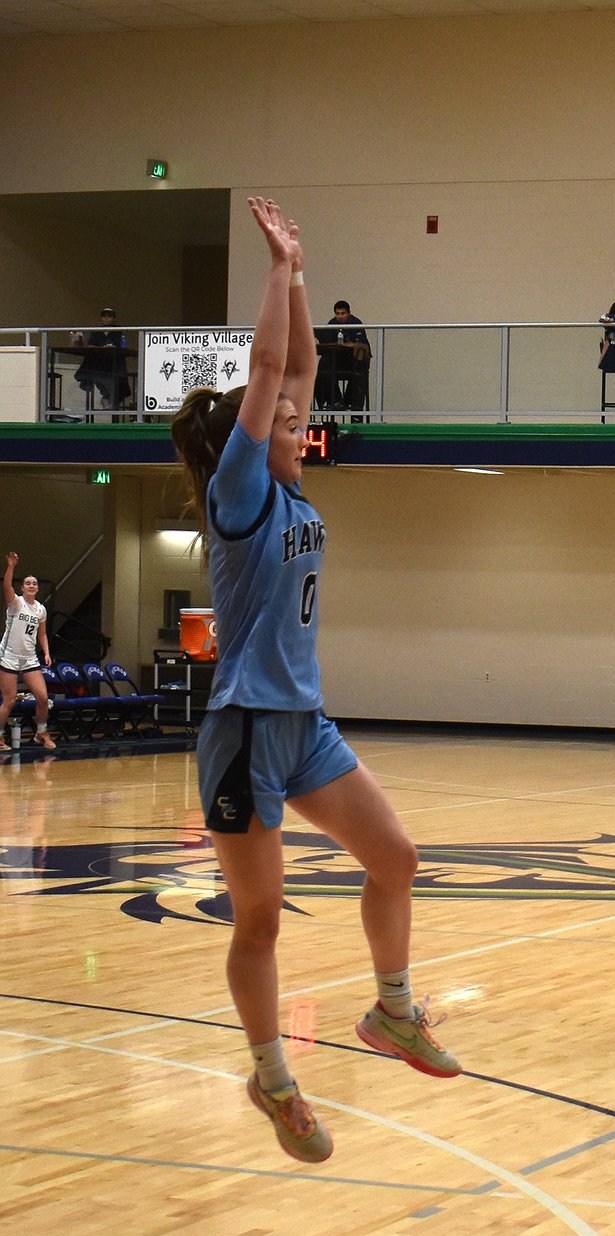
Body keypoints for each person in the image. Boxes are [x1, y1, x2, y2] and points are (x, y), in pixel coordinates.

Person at [170, 198, 460, 1166]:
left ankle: (392, 1011)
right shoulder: (239, 492)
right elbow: (267, 373)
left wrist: (298, 271)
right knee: (259, 918)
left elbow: (294, 366)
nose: (303, 423)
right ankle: (273, 1077)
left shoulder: (290, 487)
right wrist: (267, 271)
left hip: (303, 723)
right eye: (289, 425)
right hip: (245, 729)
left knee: (396, 857)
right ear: (252, 443)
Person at [0, 553, 57, 752]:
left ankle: (41, 732)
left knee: (43, 698)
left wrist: (46, 652)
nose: (31, 585)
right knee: (9, 700)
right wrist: (11, 566)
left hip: (29, 658)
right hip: (9, 656)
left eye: (34, 583)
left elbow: (42, 634)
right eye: (27, 583)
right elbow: (6, 586)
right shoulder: (16, 603)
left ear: (37, 588)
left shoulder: (41, 609)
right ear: (22, 588)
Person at [314, 299, 372, 414]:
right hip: (338, 361)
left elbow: (362, 344)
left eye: (343, 313)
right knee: (324, 366)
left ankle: (352, 405)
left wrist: (352, 344)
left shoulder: (356, 323)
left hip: (355, 362)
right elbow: (327, 341)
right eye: (338, 314)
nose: (340, 316)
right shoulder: (332, 324)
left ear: (349, 313)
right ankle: (335, 401)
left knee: (358, 372)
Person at [74, 307, 130, 409]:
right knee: (90, 357)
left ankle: (86, 378)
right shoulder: (96, 331)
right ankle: (87, 379)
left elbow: (119, 346)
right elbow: (91, 345)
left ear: (114, 319)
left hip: (113, 361)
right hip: (99, 360)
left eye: (109, 317)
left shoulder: (118, 331)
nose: (106, 319)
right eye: (104, 316)